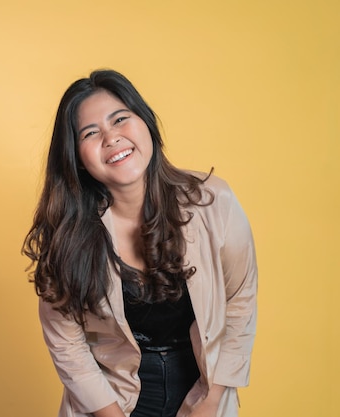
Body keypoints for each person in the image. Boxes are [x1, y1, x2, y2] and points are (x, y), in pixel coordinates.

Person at [22, 69, 257, 417]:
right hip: (111, 398)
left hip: (203, 387)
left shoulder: (213, 201)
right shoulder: (68, 231)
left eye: (120, 119)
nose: (111, 138)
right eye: (91, 132)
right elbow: (66, 341)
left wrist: (211, 400)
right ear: (78, 159)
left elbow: (240, 301)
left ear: (145, 123)